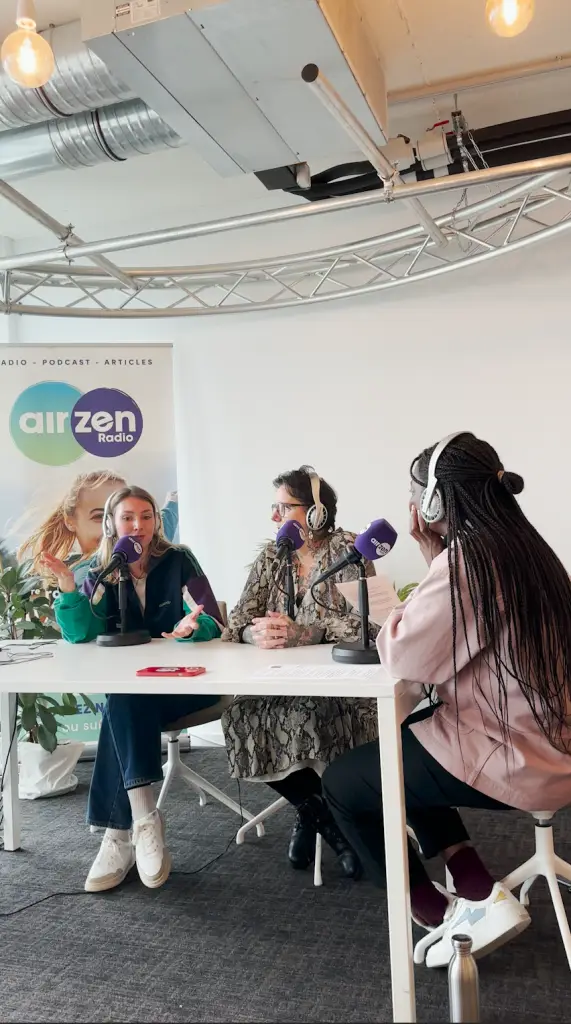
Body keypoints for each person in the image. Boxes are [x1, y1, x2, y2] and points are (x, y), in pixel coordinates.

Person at [323, 431, 571, 967]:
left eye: (417, 494)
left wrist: (413, 586)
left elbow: (405, 656)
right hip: (552, 741)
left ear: (434, 501)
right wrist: (436, 553)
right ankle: (471, 876)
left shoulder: (468, 565)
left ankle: (439, 913)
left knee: (345, 782)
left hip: (521, 760)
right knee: (408, 743)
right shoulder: (528, 549)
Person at [42, 485, 221, 895]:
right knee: (124, 698)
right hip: (134, 694)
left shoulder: (178, 560)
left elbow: (211, 618)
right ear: (111, 523)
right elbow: (79, 634)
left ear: (157, 521)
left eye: (146, 515)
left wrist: (194, 629)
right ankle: (141, 823)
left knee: (120, 706)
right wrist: (70, 589)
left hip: (188, 685)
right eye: (127, 517)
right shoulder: (99, 567)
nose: (138, 525)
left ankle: (117, 834)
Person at [222, 466, 380, 878]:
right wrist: (253, 634)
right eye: (273, 508)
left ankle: (316, 815)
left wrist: (306, 632)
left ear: (316, 512)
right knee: (239, 715)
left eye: (284, 507)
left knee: (306, 714)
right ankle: (323, 817)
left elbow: (368, 625)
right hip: (278, 679)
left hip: (341, 683)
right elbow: (236, 619)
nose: (275, 517)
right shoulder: (273, 556)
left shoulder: (349, 551)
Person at [19, 471, 179, 587]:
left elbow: (166, 524)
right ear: (71, 522)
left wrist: (174, 502)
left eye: (124, 517)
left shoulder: (145, 548)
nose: (116, 528)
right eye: (99, 517)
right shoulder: (86, 575)